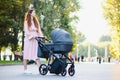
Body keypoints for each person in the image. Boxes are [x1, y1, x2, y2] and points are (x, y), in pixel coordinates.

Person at [23, 9, 43, 74]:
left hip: (35, 39)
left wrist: (42, 36)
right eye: (34, 12)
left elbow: (39, 30)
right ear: (30, 13)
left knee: (36, 54)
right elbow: (26, 31)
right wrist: (31, 36)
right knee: (26, 54)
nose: (35, 13)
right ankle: (25, 69)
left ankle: (40, 69)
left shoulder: (36, 21)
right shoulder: (26, 22)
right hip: (29, 40)